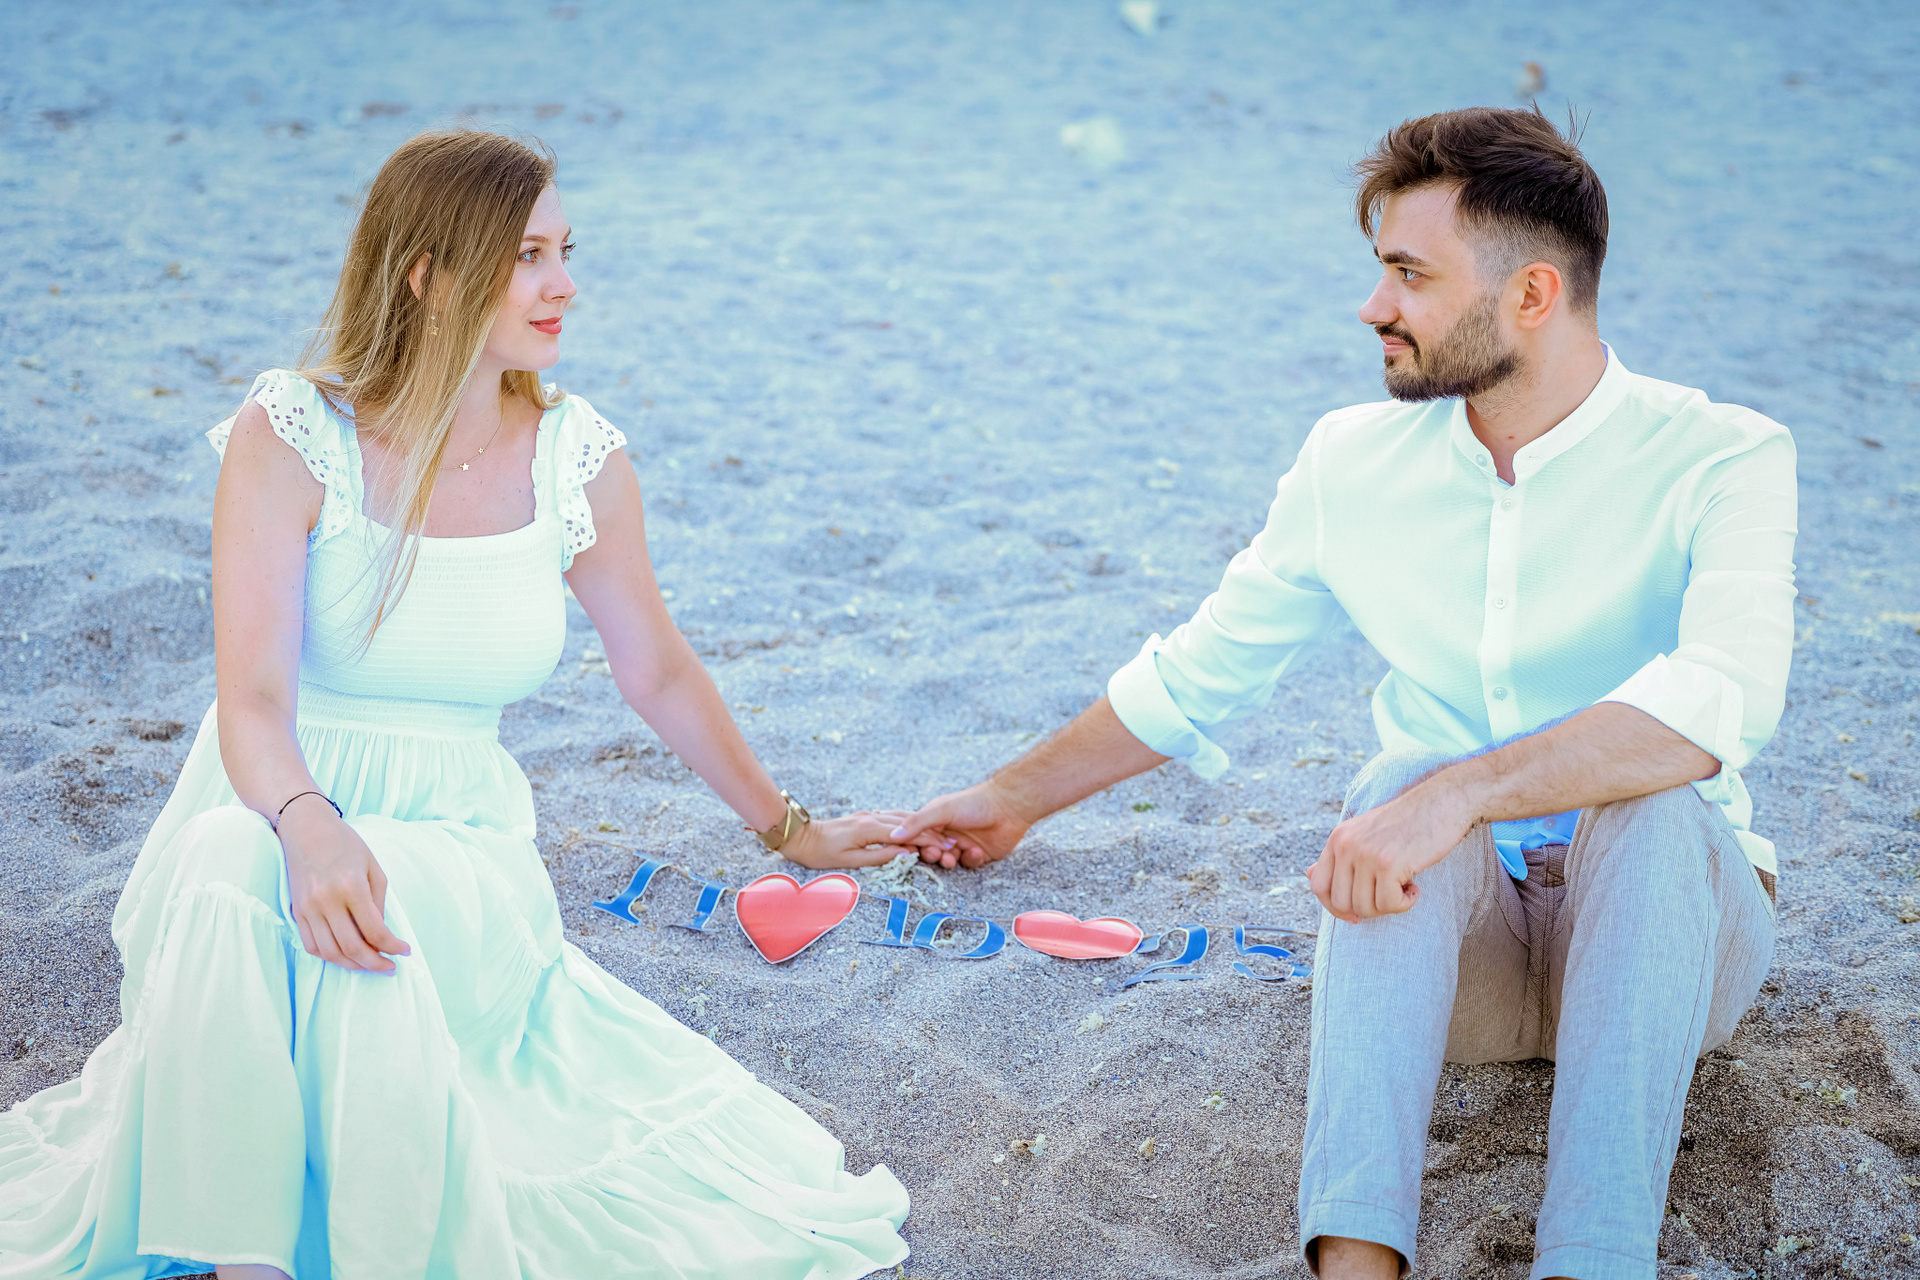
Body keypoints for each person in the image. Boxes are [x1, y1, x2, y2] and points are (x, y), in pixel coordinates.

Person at [886, 107, 1794, 1280]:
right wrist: (1010, 799)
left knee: (1648, 801)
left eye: (1410, 274)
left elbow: (1723, 695)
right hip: (1457, 957)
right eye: (1380, 270)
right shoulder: (1351, 463)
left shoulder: (1724, 455)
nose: (1374, 306)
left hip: (1674, 948)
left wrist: (1461, 793)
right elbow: (1200, 671)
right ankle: (1356, 1265)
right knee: (1400, 779)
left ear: (1531, 294)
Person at [0, 130, 916, 1279]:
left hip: (464, 850)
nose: (564, 283)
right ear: (428, 274)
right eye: (528, 255)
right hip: (277, 800)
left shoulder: (577, 460)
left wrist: (793, 830)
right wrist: (309, 825)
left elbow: (657, 670)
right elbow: (254, 697)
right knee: (230, 860)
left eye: (566, 251)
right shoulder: (292, 434)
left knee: (364, 911)